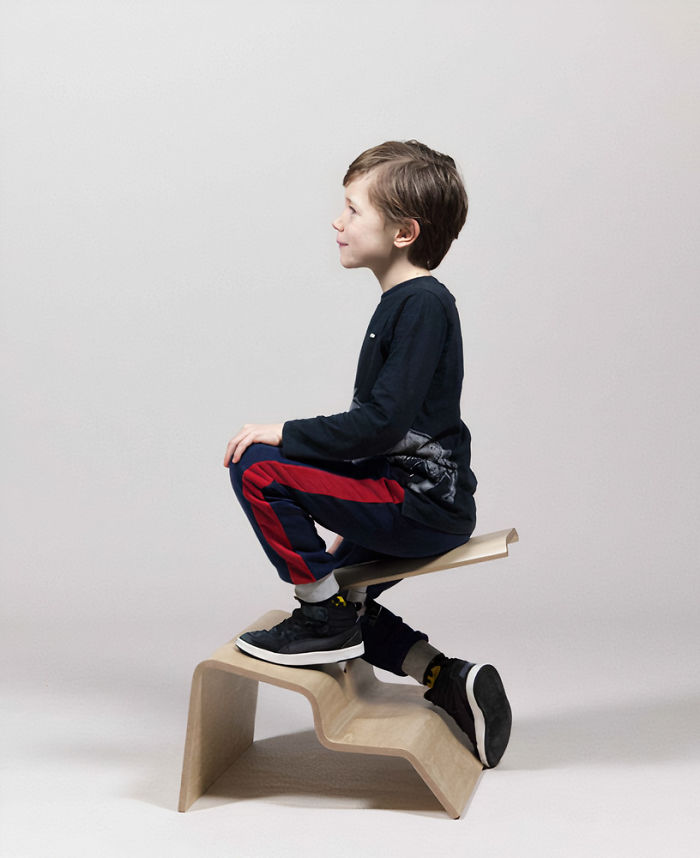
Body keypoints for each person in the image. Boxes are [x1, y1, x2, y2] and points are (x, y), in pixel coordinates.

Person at [223, 140, 511, 767]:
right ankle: (446, 677)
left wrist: (284, 432)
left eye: (353, 210)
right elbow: (389, 432)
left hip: (417, 503)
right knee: (342, 594)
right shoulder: (406, 303)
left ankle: (320, 619)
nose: (338, 220)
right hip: (411, 496)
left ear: (404, 232)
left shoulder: (422, 304)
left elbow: (380, 425)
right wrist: (343, 524)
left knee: (256, 466)